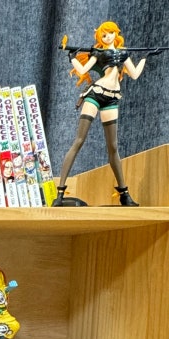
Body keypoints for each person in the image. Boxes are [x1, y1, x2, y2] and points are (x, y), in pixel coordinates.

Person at [53, 21, 153, 207]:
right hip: (95, 94)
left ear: (116, 34)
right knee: (79, 140)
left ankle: (124, 194)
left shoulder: (123, 53)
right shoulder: (98, 53)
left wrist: (145, 57)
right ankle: (59, 193)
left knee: (113, 147)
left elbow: (134, 74)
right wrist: (72, 57)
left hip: (112, 98)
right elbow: (83, 70)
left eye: (110, 33)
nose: (107, 37)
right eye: (103, 35)